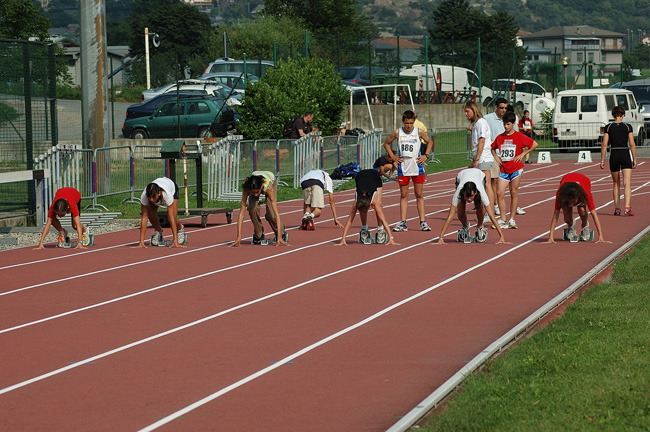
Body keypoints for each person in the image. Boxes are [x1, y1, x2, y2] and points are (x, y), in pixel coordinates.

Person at [382, 109, 434, 232]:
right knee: (404, 195)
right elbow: (386, 143)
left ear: (414, 122)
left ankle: (422, 222)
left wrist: (425, 155)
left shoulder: (418, 132)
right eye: (407, 123)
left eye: (411, 123)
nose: (409, 126)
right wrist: (393, 157)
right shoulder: (397, 132)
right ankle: (403, 222)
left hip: (417, 167)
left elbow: (430, 142)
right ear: (403, 122)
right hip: (403, 167)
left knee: (419, 194)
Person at [491, 111, 538, 229]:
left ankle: (512, 219)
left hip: (516, 169)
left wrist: (523, 154)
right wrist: (496, 157)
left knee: (513, 192)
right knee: (499, 192)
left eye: (508, 124)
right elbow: (492, 148)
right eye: (504, 124)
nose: (506, 127)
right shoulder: (500, 137)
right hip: (504, 169)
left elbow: (534, 144)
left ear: (513, 124)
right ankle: (502, 219)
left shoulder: (519, 136)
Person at [436, 168, 506, 244]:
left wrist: (501, 237)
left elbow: (491, 215)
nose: (469, 199)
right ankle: (465, 226)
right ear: (463, 192)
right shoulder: (459, 191)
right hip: (461, 176)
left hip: (480, 175)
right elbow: (450, 216)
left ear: (475, 192)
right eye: (467, 196)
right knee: (460, 211)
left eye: (471, 196)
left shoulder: (481, 192)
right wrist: (441, 237)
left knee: (480, 206)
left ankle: (480, 227)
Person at [484, 98, 525, 217]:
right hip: (493, 153)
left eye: (505, 108)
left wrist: (520, 153)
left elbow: (516, 135)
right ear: (496, 107)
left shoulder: (510, 119)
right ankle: (495, 205)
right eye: (501, 108)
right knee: (493, 180)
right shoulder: (487, 119)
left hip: (507, 156)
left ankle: (511, 209)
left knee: (512, 188)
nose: (504, 110)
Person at [336, 169, 397, 246]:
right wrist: (343, 238)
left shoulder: (374, 202)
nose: (362, 213)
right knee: (362, 208)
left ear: (369, 206)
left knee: (379, 205)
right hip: (360, 176)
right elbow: (350, 220)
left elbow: (383, 219)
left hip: (375, 176)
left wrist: (391, 238)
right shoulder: (356, 203)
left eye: (365, 211)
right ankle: (364, 229)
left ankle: (380, 230)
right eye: (360, 211)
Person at [544, 173, 608, 244]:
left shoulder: (585, 194)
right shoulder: (560, 194)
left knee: (582, 211)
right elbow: (556, 214)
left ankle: (585, 226)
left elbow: (594, 214)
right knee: (567, 218)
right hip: (566, 187)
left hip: (584, 182)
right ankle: (571, 226)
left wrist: (600, 236)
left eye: (574, 201)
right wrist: (551, 237)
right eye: (570, 202)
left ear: (578, 196)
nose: (572, 203)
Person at [231, 170, 288, 246]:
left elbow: (276, 213)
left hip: (271, 179)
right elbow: (241, 214)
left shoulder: (268, 188)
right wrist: (238, 236)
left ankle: (281, 232)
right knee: (252, 208)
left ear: (261, 187)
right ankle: (258, 235)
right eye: (253, 192)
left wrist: (279, 236)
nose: (255, 195)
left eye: (257, 192)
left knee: (271, 215)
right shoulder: (247, 188)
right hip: (255, 183)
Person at [600, 105, 637, 216]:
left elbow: (605, 144)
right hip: (625, 153)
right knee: (627, 183)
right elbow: (631, 143)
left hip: (614, 154)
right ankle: (627, 208)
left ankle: (617, 208)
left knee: (616, 183)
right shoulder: (627, 126)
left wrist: (602, 160)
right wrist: (634, 158)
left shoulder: (609, 127)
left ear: (612, 115)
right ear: (623, 115)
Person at [463, 100, 496, 225]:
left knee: (486, 185)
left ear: (474, 110)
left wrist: (477, 159)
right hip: (480, 157)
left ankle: (490, 212)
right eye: (465, 112)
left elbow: (482, 141)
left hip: (484, 158)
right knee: (483, 185)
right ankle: (486, 212)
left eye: (467, 111)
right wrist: (474, 159)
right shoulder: (477, 123)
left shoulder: (481, 122)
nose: (466, 114)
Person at [136, 177, 185, 248]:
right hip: (159, 193)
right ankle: (158, 230)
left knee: (172, 217)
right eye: (149, 197)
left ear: (159, 193)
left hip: (172, 188)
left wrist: (175, 241)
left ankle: (180, 228)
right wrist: (141, 241)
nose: (151, 200)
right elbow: (144, 217)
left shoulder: (167, 194)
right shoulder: (144, 196)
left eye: (153, 197)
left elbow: (171, 217)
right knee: (150, 214)